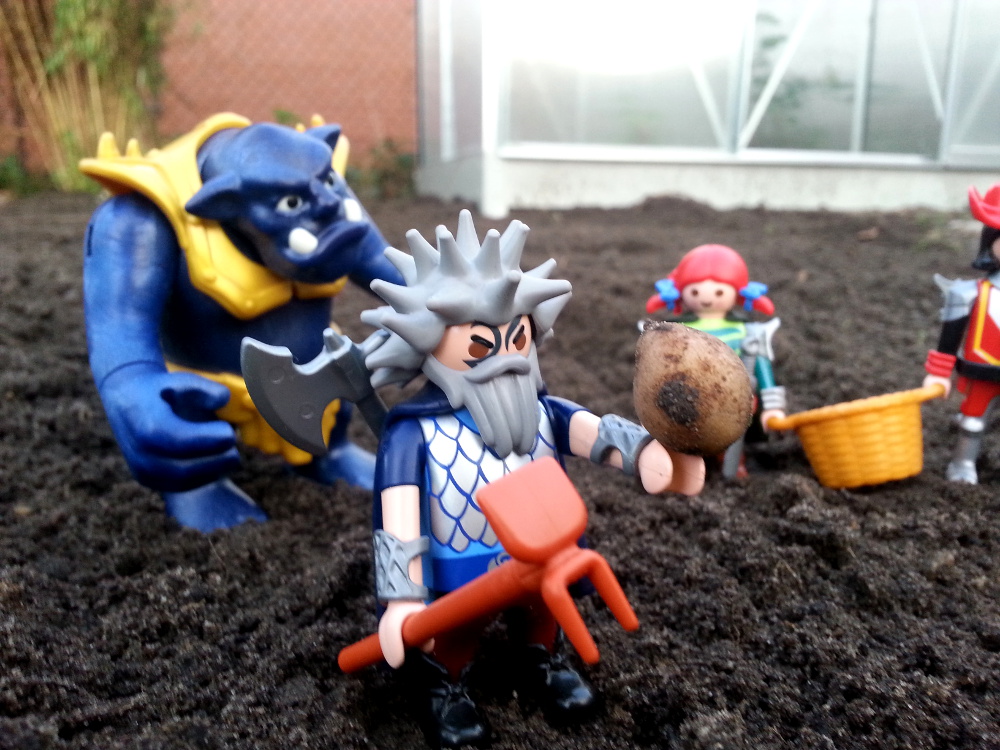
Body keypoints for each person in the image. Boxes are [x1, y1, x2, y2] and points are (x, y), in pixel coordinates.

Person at [362, 210, 705, 748]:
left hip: (543, 551)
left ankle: (540, 661)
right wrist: (401, 596)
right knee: (453, 634)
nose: (506, 356)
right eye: (481, 344)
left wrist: (649, 457)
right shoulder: (414, 434)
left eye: (517, 336)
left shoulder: (543, 412)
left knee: (541, 616)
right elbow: (398, 514)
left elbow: (597, 433)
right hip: (460, 563)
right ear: (429, 344)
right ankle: (443, 686)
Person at [81, 114, 403, 531]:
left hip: (321, 384)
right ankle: (199, 486)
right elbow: (120, 328)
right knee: (190, 433)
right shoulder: (143, 217)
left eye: (327, 183)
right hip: (211, 396)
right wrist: (129, 387)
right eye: (292, 204)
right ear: (225, 204)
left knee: (336, 390)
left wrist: (444, 302)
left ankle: (329, 453)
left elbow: (387, 267)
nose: (326, 203)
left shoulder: (318, 180)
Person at [644, 244, 787, 478]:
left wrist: (772, 406)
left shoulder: (747, 331)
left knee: (731, 432)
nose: (707, 299)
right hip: (685, 395)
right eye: (695, 292)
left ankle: (733, 462)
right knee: (681, 433)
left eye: (719, 292)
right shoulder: (674, 331)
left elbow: (761, 366)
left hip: (734, 398)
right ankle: (679, 468)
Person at [923, 184, 1000, 483]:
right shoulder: (970, 293)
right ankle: (963, 462)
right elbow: (950, 337)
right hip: (982, 371)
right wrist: (940, 372)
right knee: (973, 420)